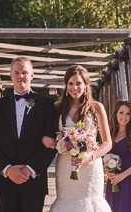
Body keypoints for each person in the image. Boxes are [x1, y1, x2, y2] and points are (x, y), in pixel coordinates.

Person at [0, 56, 58, 212]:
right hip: (4, 183)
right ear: (10, 76)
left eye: (24, 72)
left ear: (32, 75)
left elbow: (52, 144)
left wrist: (30, 169)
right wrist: (7, 169)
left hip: (33, 182)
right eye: (16, 73)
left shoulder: (46, 104)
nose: (20, 77)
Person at [40, 65, 113, 212]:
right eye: (71, 83)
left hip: (90, 166)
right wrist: (44, 139)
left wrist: (90, 157)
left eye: (79, 83)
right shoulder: (58, 107)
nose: (75, 87)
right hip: (65, 165)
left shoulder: (96, 107)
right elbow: (44, 133)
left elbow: (107, 143)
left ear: (86, 85)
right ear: (66, 85)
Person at [104, 100, 131, 212]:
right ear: (115, 114)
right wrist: (107, 172)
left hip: (129, 181)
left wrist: (122, 176)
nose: (124, 117)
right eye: (121, 112)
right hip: (112, 180)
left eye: (128, 113)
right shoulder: (110, 133)